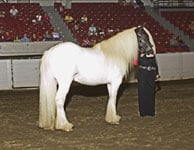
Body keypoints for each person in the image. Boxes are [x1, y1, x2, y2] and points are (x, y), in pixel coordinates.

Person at [135, 26, 160, 117]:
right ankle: (143, 112)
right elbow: (135, 63)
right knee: (142, 92)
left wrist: (157, 73)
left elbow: (155, 62)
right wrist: (141, 55)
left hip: (151, 72)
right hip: (142, 71)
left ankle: (151, 111)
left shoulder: (151, 50)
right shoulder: (137, 51)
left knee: (151, 92)